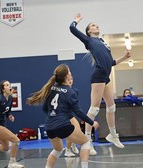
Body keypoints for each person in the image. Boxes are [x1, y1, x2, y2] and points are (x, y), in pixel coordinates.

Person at [70, 13, 130, 155]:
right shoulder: (88, 40)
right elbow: (72, 29)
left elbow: (111, 62)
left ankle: (113, 135)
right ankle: (87, 141)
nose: (96, 26)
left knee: (111, 106)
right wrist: (76, 21)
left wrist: (124, 57)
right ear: (89, 31)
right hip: (98, 76)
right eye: (92, 25)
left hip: (106, 76)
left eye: (96, 25)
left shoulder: (103, 41)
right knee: (94, 109)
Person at [26, 64, 99, 168]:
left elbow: (45, 108)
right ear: (66, 76)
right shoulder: (70, 91)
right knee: (85, 142)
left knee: (57, 149)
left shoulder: (51, 88)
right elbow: (78, 112)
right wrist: (92, 122)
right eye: (69, 72)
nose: (71, 73)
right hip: (62, 125)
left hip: (49, 126)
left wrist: (55, 115)